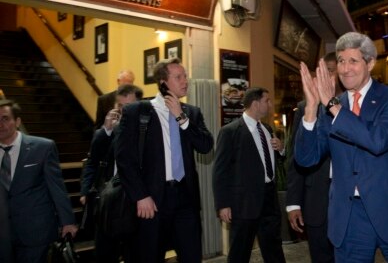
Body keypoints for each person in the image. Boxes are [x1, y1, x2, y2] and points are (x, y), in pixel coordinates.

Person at [295, 32, 388, 262]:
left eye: (353, 61)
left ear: (370, 63)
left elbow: (377, 140)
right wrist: (311, 107)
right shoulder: (330, 108)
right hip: (349, 217)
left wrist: (333, 107)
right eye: (341, 61)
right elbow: (306, 159)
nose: (345, 69)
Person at [114, 58, 213, 263]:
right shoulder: (137, 112)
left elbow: (205, 146)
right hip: (151, 199)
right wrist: (140, 195)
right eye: (178, 77)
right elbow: (124, 159)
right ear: (163, 82)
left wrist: (182, 118)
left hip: (186, 198)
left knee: (192, 256)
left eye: (185, 76)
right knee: (149, 256)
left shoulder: (191, 113)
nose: (185, 80)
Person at [213, 87, 286, 263]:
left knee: (274, 250)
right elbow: (220, 171)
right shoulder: (230, 131)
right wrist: (223, 205)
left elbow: (273, 161)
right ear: (255, 104)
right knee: (240, 252)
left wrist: (281, 149)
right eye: (266, 100)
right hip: (244, 204)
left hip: (269, 199)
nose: (269, 104)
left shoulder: (267, 129)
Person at [0, 100, 78, 262]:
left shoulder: (42, 147)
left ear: (18, 121)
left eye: (5, 118)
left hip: (35, 232)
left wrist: (68, 221)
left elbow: (57, 188)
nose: (0, 124)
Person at [286, 52, 341, 263]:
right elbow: (295, 157)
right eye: (323, 72)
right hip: (317, 200)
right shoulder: (305, 108)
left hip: (350, 202)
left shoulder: (353, 105)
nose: (327, 77)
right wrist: (293, 203)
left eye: (331, 71)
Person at [80, 84, 143, 263]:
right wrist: (106, 129)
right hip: (108, 201)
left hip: (135, 201)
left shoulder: (147, 130)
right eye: (121, 107)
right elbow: (93, 160)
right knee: (104, 253)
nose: (124, 112)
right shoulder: (110, 130)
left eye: (128, 106)